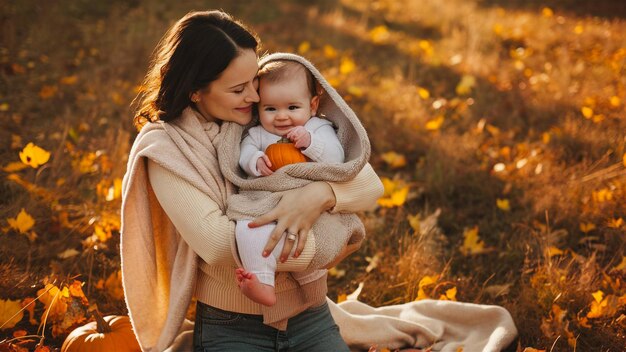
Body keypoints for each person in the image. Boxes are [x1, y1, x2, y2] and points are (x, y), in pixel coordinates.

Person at [121, 10, 383, 352]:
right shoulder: (166, 149)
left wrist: (318, 196)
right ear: (196, 92)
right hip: (233, 324)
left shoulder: (267, 113)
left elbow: (369, 185)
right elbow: (218, 244)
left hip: (310, 314)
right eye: (239, 89)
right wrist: (321, 247)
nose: (257, 98)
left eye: (254, 82)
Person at [234, 58, 346, 307]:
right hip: (267, 201)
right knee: (247, 226)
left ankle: (310, 290)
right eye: (270, 109)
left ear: (313, 105)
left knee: (307, 242)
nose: (282, 117)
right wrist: (255, 160)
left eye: (293, 107)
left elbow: (336, 159)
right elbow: (244, 152)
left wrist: (310, 143)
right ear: (258, 108)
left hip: (307, 205)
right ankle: (262, 280)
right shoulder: (258, 134)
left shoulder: (317, 128)